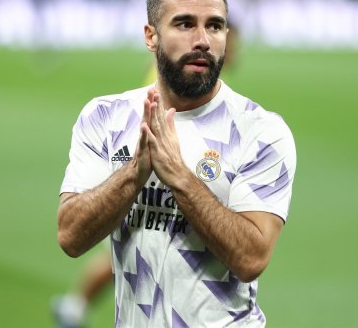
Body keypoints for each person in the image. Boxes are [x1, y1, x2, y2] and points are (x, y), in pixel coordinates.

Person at [56, 0, 296, 327]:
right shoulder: (104, 117)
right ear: (151, 36)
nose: (202, 40)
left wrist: (180, 178)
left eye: (214, 26)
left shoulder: (260, 131)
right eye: (184, 24)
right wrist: (133, 174)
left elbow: (251, 259)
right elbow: (70, 236)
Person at [52, 22, 242, 328]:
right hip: (154, 165)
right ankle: (74, 306)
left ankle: (75, 306)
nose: (234, 51)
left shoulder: (213, 79)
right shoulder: (178, 78)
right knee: (128, 252)